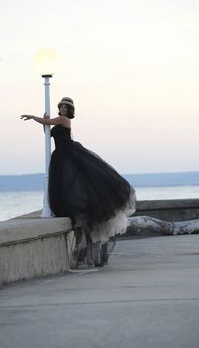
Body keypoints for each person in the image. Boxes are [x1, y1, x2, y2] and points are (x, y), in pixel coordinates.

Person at [20, 97, 136, 267]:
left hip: (68, 154)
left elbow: (48, 122)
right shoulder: (58, 122)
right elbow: (48, 132)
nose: (64, 109)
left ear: (69, 111)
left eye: (66, 107)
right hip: (59, 156)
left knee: (76, 184)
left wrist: (33, 117)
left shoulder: (64, 120)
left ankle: (84, 253)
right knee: (65, 188)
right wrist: (45, 123)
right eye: (62, 107)